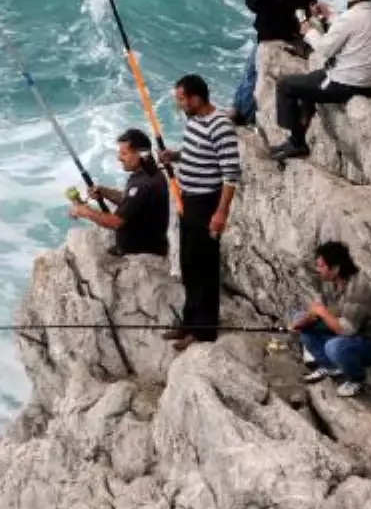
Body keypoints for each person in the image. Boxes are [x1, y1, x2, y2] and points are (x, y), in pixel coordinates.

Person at [269, 0, 371, 160]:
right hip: (369, 83)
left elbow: (325, 49)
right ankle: (297, 141)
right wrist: (330, 16)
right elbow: (352, 29)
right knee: (309, 85)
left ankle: (295, 140)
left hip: (346, 84)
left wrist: (308, 31)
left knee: (286, 85)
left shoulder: (352, 16)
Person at [159, 74, 241, 348]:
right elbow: (196, 150)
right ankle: (189, 320)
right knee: (189, 264)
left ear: (196, 98)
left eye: (182, 99)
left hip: (207, 204)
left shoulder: (220, 126)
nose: (179, 104)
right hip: (188, 202)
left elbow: (231, 174)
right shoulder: (195, 121)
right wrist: (175, 156)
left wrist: (220, 214)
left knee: (204, 267)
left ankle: (204, 330)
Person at [290, 240, 371, 398]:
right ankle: (330, 366)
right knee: (304, 327)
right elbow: (320, 308)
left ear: (335, 268)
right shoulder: (330, 283)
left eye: (321, 266)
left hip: (369, 343)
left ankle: (356, 380)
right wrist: (304, 321)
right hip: (346, 332)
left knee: (334, 347)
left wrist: (321, 312)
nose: (317, 269)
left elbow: (347, 330)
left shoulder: (359, 288)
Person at [67, 128, 170, 258]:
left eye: (124, 153)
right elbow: (133, 202)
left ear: (141, 154)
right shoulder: (152, 172)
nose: (119, 158)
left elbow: (115, 222)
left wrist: (84, 211)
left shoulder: (141, 184)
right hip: (148, 246)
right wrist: (105, 192)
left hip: (141, 255)